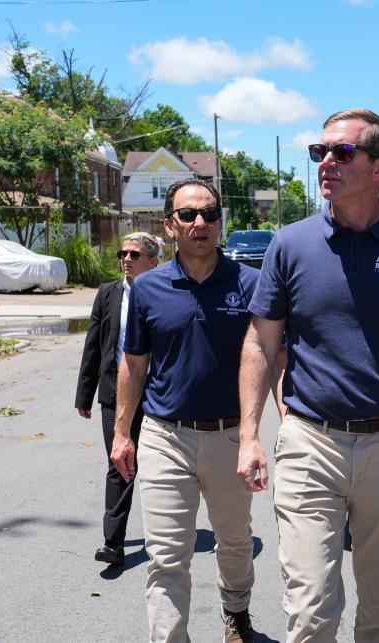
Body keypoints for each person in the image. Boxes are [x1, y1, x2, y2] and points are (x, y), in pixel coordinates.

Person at [236, 108, 379, 642]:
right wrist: (250, 434)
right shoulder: (290, 244)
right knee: (310, 609)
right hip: (309, 442)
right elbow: (260, 341)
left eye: (342, 153)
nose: (326, 163)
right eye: (320, 153)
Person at [110, 178, 260, 643]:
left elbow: (271, 360)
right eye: (189, 215)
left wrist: (279, 427)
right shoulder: (147, 288)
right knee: (166, 554)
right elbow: (133, 366)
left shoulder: (249, 283)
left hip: (230, 436)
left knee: (234, 542)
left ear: (220, 222)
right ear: (169, 225)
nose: (201, 223)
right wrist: (121, 433)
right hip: (165, 436)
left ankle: (236, 613)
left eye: (210, 214)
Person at [75, 232, 159, 566]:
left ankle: (168, 532)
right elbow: (93, 344)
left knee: (156, 466)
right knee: (119, 461)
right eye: (123, 253)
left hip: (157, 395)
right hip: (115, 393)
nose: (126, 258)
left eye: (134, 254)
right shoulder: (108, 294)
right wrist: (85, 392)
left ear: (153, 261)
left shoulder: (165, 291)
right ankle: (113, 542)